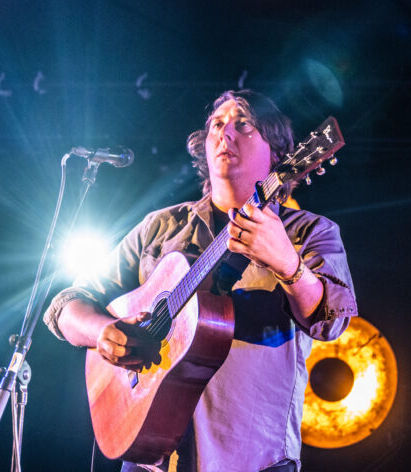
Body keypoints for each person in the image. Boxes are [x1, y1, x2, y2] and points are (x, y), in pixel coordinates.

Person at [44, 89, 357, 472]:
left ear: (278, 153)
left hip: (255, 460)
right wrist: (103, 332)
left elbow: (330, 321)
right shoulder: (160, 227)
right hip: (150, 461)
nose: (226, 133)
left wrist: (287, 263)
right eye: (216, 125)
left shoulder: (309, 231)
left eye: (244, 124)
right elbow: (65, 307)